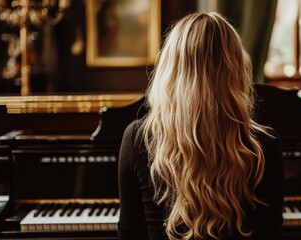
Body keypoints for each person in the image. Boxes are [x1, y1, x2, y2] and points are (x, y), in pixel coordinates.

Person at [118, 12, 284, 240]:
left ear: (171, 68)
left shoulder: (137, 137)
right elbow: (270, 233)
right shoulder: (265, 144)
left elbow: (129, 233)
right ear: (235, 68)